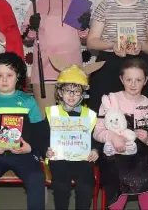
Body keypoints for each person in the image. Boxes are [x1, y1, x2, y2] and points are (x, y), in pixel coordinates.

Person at [0, 52, 49, 210]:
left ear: (18, 77)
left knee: (36, 177)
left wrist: (31, 148)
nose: (4, 79)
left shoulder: (28, 101)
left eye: (9, 75)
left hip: (23, 154)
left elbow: (40, 130)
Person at [20, 0, 90, 116]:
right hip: (44, 74)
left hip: (72, 72)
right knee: (46, 122)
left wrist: (84, 27)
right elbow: (26, 38)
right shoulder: (37, 3)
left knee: (71, 123)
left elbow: (86, 40)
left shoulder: (77, 2)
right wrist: (31, 28)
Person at [86, 0, 148, 112]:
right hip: (108, 66)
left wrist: (141, 46)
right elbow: (91, 42)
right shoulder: (104, 6)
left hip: (139, 66)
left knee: (139, 118)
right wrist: (112, 45)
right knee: (103, 114)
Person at [93, 58, 148, 210]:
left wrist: (147, 138)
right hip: (114, 153)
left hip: (142, 154)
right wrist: (111, 136)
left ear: (146, 81)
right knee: (119, 177)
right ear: (121, 79)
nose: (133, 84)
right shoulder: (111, 100)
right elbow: (97, 132)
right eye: (129, 79)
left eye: (138, 80)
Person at [44, 62, 102, 210]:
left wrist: (95, 151)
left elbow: (97, 137)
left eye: (76, 91)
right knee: (61, 187)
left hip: (82, 160)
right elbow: (43, 137)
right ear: (60, 92)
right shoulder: (52, 113)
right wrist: (46, 150)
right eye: (67, 90)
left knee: (85, 187)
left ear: (83, 94)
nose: (71, 95)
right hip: (60, 159)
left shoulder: (90, 115)